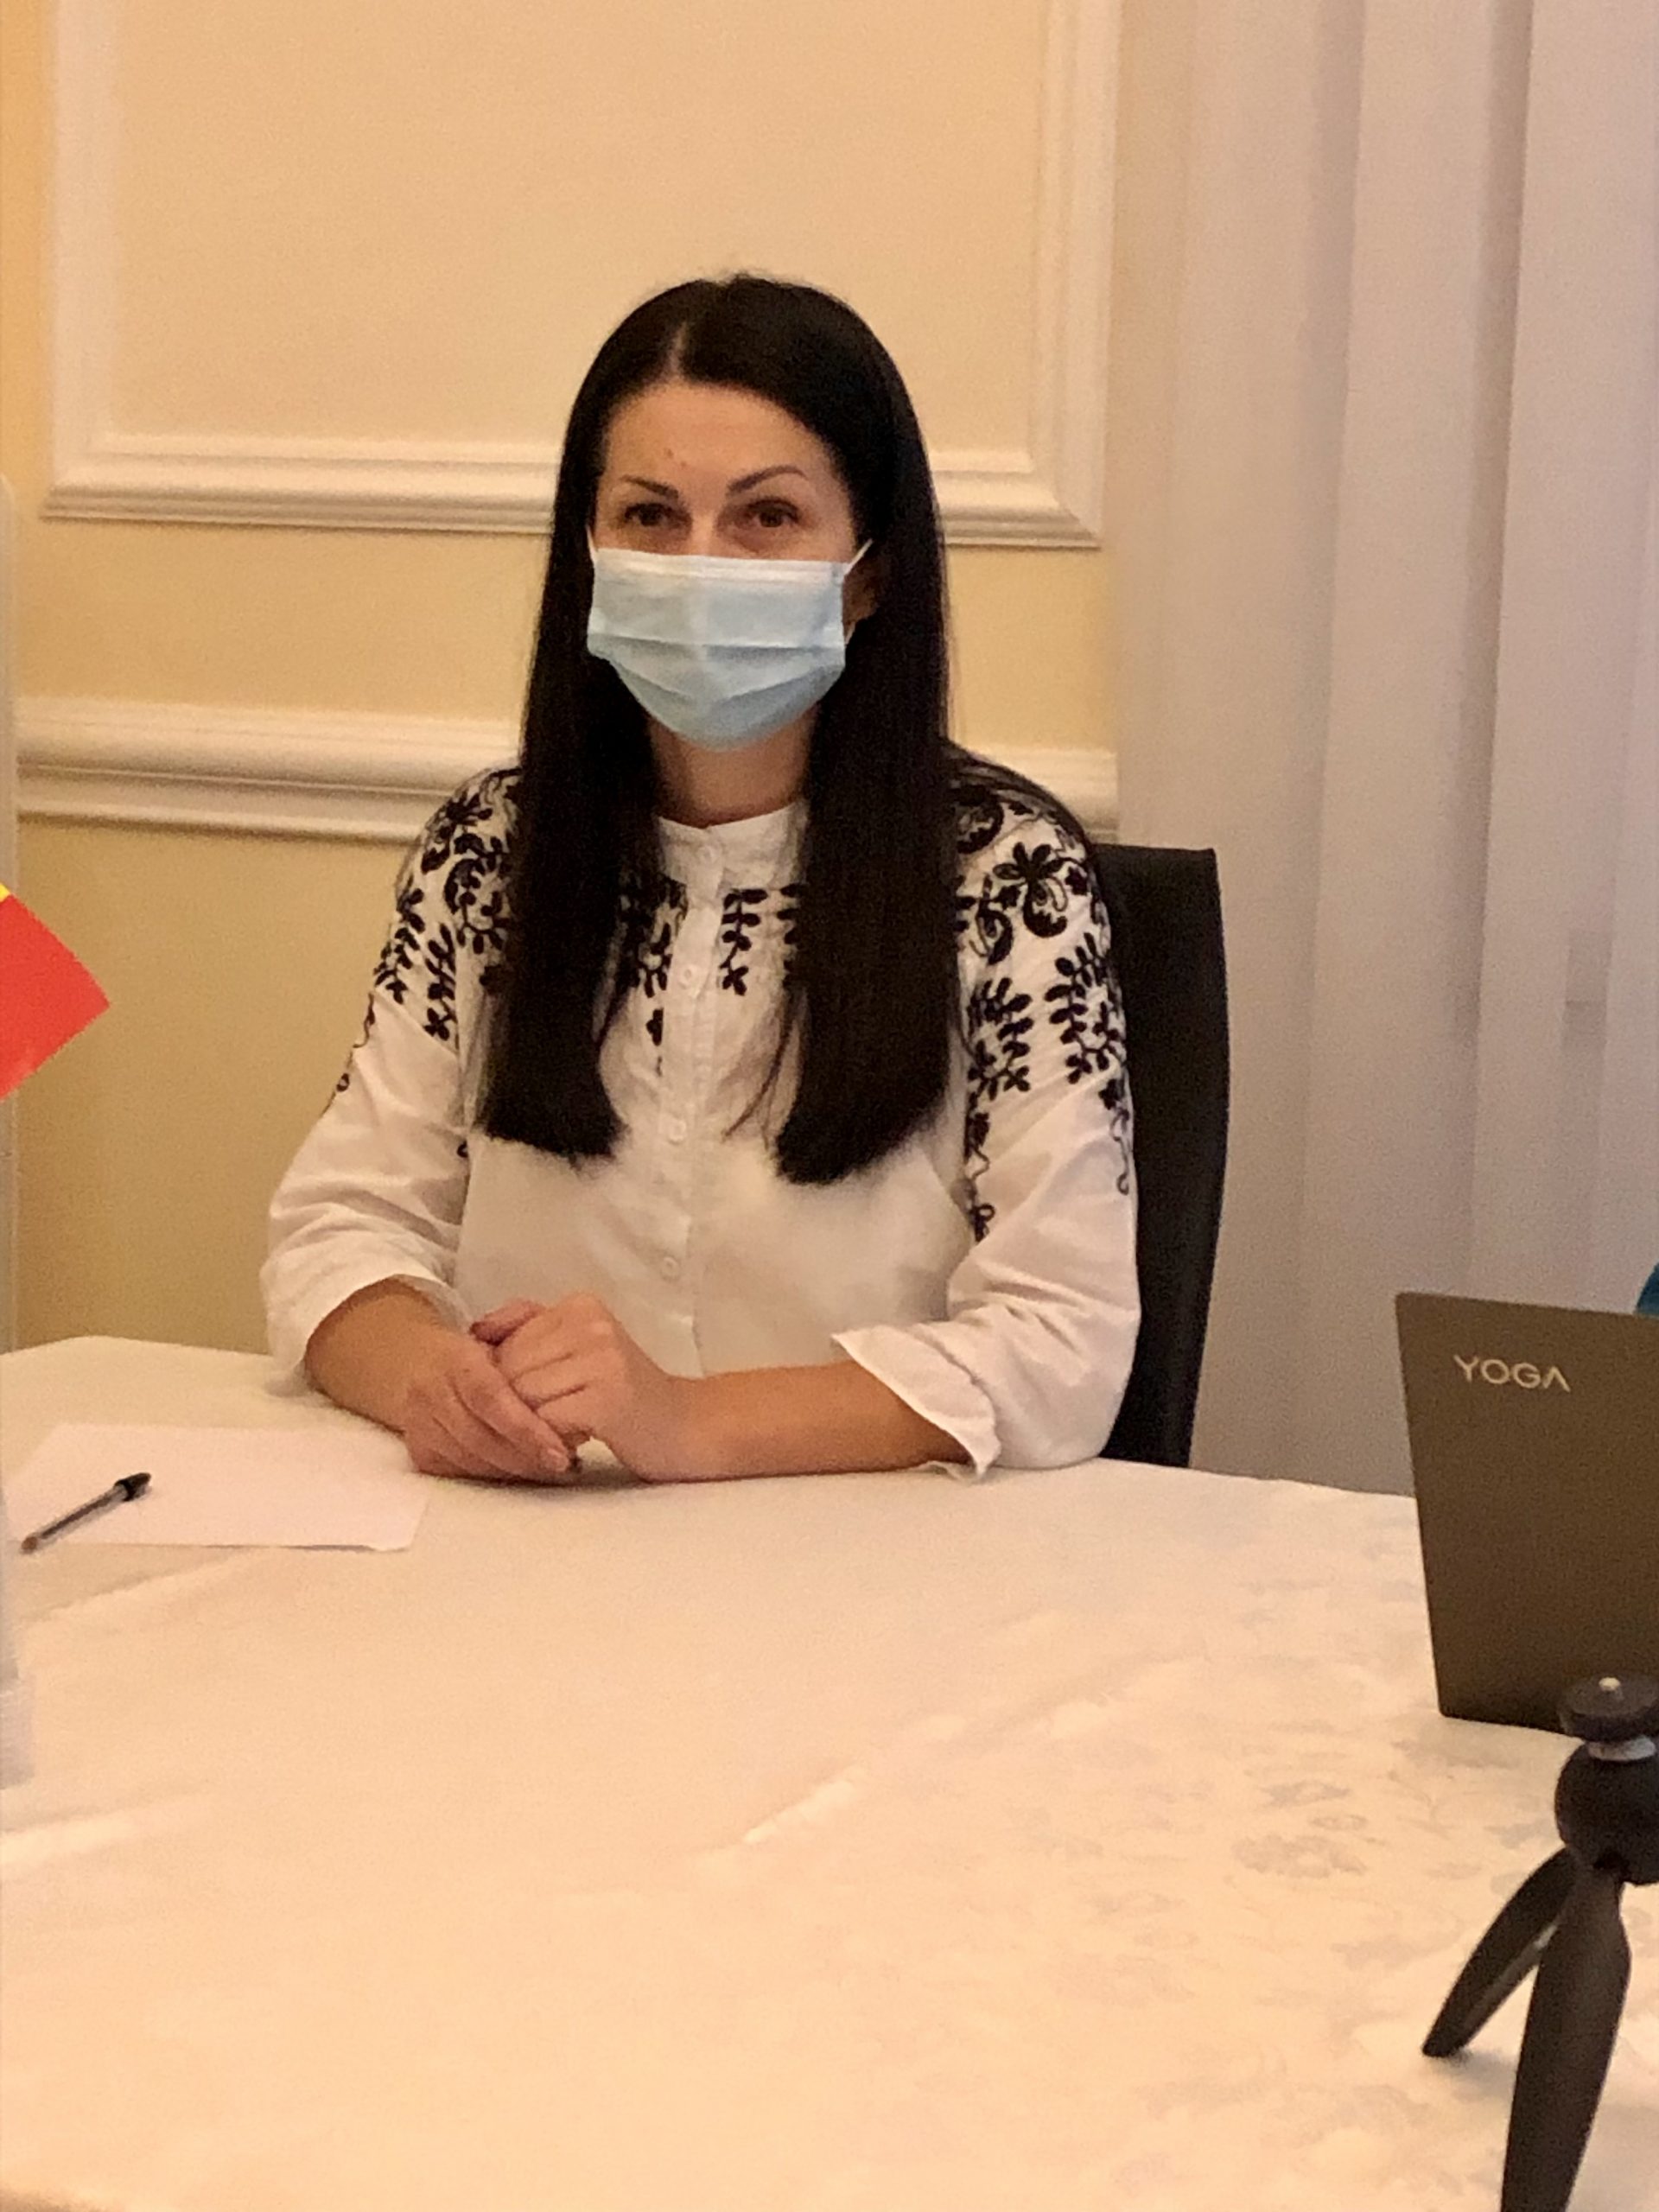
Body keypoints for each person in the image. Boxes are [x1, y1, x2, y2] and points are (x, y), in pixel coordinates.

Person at [263, 276, 1138, 1484]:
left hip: (875, 1552)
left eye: (768, 517)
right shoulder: (488, 852)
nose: (700, 563)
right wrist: (433, 1381)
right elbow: (338, 1226)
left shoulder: (1006, 877)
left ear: (869, 571)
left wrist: (688, 1422)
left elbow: (1064, 1338)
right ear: (589, 552)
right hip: (533, 1533)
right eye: (651, 516)